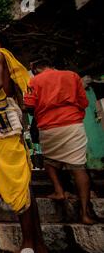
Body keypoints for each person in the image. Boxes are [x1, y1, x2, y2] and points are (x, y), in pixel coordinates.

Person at [0, 32, 50, 253]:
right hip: (4, 120)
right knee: (20, 181)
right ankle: (38, 249)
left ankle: (30, 249)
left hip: (2, 121)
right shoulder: (4, 57)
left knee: (17, 182)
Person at [24, 58, 94, 224]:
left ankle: (59, 190)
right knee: (78, 166)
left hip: (49, 126)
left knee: (49, 161)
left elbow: (30, 107)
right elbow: (84, 102)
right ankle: (84, 213)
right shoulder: (72, 76)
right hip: (72, 124)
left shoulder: (34, 81)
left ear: (36, 68)